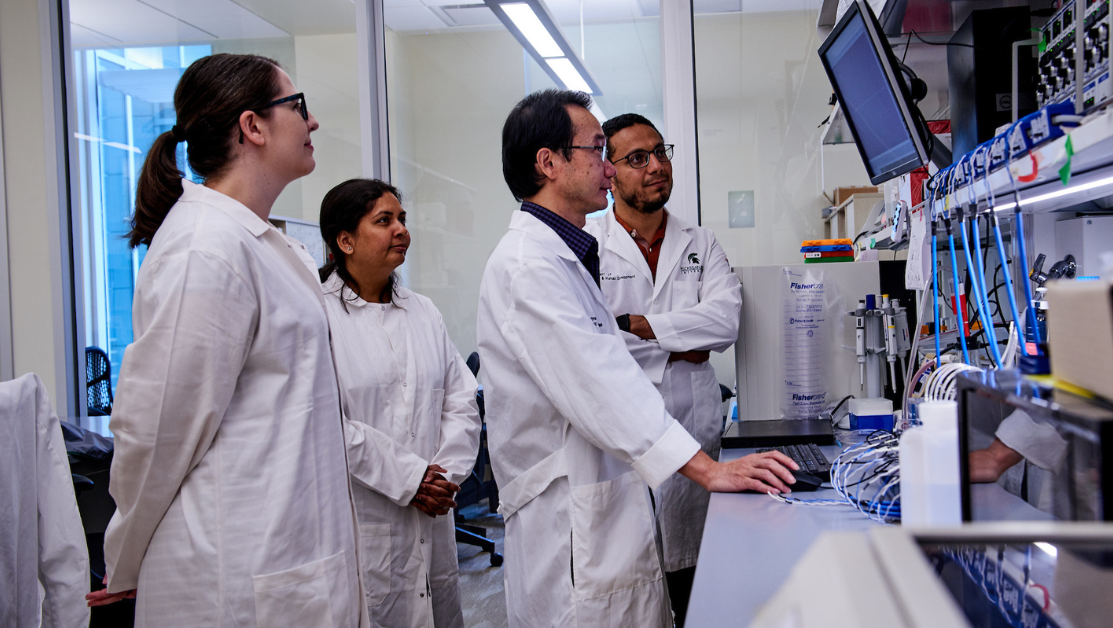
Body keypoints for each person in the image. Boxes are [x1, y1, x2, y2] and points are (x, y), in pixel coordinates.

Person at [477, 89, 799, 628]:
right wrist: (708, 469)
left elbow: (712, 327)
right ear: (549, 162)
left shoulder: (568, 255)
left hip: (607, 494)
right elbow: (600, 381)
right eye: (597, 150)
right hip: (571, 520)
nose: (606, 168)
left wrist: (649, 332)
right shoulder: (530, 265)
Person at [85, 54, 367, 627]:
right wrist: (125, 558)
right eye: (298, 107)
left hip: (292, 557)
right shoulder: (204, 248)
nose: (312, 123)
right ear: (252, 126)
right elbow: (158, 427)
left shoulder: (266, 244)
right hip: (232, 576)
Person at [583, 113, 741, 624]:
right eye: (637, 158)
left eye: (661, 152)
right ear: (609, 172)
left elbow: (724, 322)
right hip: (621, 441)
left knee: (696, 584)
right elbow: (593, 343)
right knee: (632, 583)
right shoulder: (587, 247)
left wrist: (639, 326)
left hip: (693, 428)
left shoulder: (701, 241)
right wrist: (681, 340)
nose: (656, 166)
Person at [318, 178, 482, 628]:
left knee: (438, 607)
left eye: (402, 219)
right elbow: (322, 420)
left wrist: (442, 477)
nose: (401, 231)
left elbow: (461, 398)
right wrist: (410, 478)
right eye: (384, 221)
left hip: (434, 509)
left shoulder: (423, 311)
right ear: (345, 241)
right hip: (364, 514)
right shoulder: (316, 316)